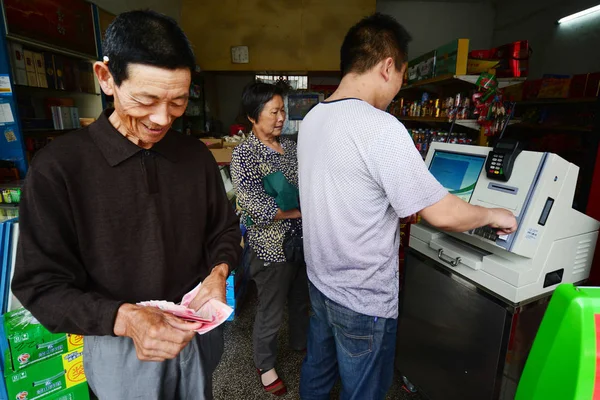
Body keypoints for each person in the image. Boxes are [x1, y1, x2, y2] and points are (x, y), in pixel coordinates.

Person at [11, 10, 241, 400]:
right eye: (145, 99)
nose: (161, 118)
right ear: (106, 78)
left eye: (178, 102)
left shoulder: (194, 157)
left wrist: (219, 272)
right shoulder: (59, 168)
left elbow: (223, 230)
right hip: (118, 342)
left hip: (194, 338)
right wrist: (124, 318)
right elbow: (40, 285)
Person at [297, 13, 518, 400]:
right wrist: (492, 214)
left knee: (317, 371)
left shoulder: (313, 117)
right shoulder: (380, 128)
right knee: (362, 389)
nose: (398, 90)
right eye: (401, 77)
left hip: (320, 281)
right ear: (387, 66)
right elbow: (444, 214)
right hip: (362, 298)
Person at [230, 81, 309, 396]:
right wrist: (299, 214)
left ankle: (302, 345)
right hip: (271, 249)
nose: (281, 118)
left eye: (283, 111)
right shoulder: (245, 155)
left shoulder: (290, 146)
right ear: (253, 115)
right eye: (274, 111)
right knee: (271, 309)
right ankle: (265, 364)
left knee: (301, 300)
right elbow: (254, 206)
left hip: (301, 243)